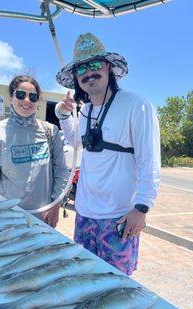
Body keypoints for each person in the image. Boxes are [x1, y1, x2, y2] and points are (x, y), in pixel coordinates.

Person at [55, 33, 161, 275]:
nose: (89, 72)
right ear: (76, 78)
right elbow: (75, 142)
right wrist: (63, 115)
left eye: (94, 65)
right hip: (84, 213)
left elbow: (149, 160)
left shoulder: (137, 105)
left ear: (109, 68)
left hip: (119, 217)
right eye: (82, 68)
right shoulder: (86, 111)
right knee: (84, 276)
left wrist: (141, 208)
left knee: (116, 284)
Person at [0, 75, 68, 227]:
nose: (27, 100)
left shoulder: (50, 131)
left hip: (43, 217)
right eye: (21, 95)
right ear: (11, 97)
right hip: (8, 217)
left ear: (38, 101)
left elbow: (61, 171)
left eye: (33, 96)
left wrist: (56, 204)